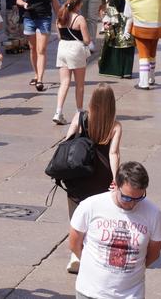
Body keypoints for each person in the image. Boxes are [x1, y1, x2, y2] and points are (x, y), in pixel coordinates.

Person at [69, 161, 161, 297]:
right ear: (115, 185)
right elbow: (74, 244)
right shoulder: (90, 206)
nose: (132, 203)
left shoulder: (153, 213)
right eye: (126, 197)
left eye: (139, 198)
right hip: (90, 292)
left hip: (130, 294)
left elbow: (153, 254)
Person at [62, 83, 122, 274]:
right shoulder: (115, 126)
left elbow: (68, 141)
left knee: (77, 212)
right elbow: (114, 154)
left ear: (93, 101)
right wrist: (115, 178)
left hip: (79, 171)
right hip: (102, 175)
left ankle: (75, 254)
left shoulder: (80, 117)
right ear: (111, 104)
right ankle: (91, 250)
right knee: (96, 214)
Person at [16, 0, 60, 92]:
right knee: (33, 49)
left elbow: (55, 3)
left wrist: (60, 18)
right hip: (29, 18)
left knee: (41, 50)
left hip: (44, 18)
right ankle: (36, 74)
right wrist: (24, 4)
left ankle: (40, 79)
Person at [53, 0, 92, 125]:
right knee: (79, 84)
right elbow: (87, 40)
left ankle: (58, 112)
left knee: (64, 82)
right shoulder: (79, 18)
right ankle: (79, 112)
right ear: (78, 5)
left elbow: (59, 36)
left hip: (62, 47)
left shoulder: (60, 17)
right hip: (76, 50)